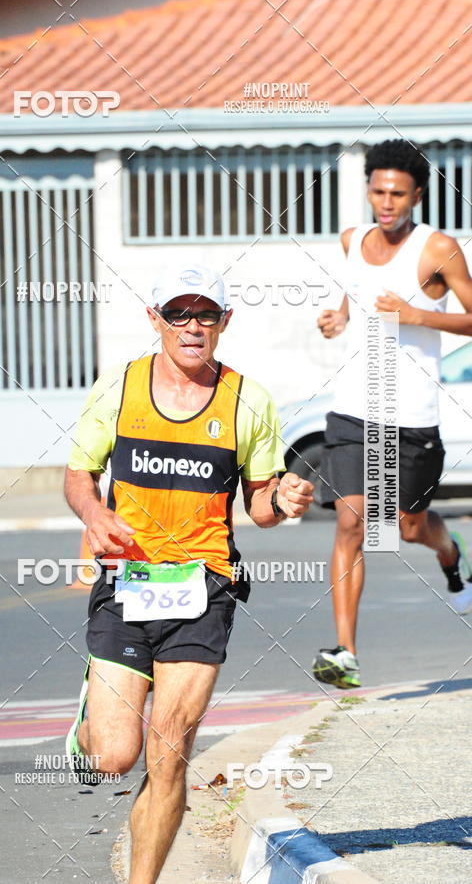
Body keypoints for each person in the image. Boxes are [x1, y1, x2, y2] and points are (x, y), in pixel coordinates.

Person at [63, 265, 314, 884]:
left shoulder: (248, 400)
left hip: (206, 586)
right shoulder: (119, 386)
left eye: (205, 314)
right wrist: (94, 515)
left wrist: (282, 501)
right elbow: (78, 474)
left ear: (225, 321)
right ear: (155, 319)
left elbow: (259, 505)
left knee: (170, 750)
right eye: (179, 313)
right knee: (114, 756)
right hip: (127, 581)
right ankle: (90, 722)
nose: (192, 326)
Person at [312, 139, 472, 690]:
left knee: (408, 527)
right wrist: (338, 317)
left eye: (398, 194)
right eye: (378, 192)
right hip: (353, 410)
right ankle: (345, 653)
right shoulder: (351, 240)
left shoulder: (438, 249)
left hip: (412, 418)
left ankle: (451, 551)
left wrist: (417, 315)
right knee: (352, 522)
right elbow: (355, 294)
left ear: (417, 196)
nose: (386, 203)